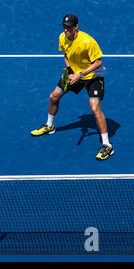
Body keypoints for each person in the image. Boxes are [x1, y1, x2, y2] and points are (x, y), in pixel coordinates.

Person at [31, 14, 114, 161]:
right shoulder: (62, 38)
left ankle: (107, 145)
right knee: (53, 97)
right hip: (74, 73)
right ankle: (49, 126)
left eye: (69, 27)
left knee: (94, 107)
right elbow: (66, 54)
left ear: (76, 27)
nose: (65, 29)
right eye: (64, 26)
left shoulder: (88, 42)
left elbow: (98, 62)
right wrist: (70, 71)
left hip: (93, 76)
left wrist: (80, 75)